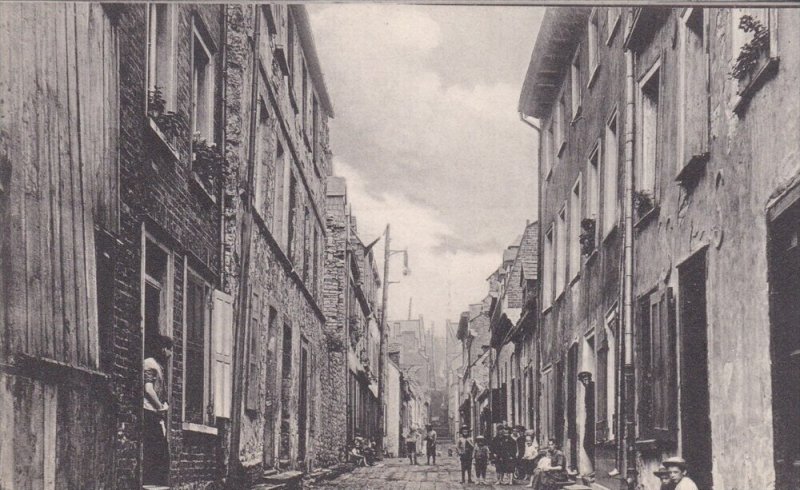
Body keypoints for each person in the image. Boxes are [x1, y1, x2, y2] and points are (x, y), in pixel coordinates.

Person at [142, 334, 172, 486]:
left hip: (155, 414)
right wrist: (160, 407)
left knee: (161, 451)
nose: (170, 354)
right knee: (156, 450)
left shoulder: (158, 366)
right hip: (149, 412)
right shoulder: (150, 363)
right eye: (169, 350)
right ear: (163, 349)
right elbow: (148, 389)